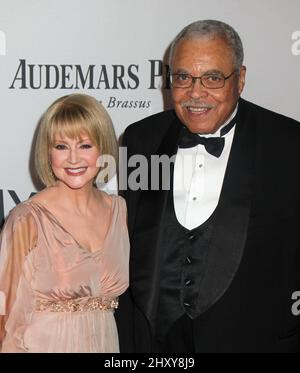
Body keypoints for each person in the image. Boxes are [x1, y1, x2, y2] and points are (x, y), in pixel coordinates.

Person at [117, 20, 300, 352]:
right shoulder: (141, 140)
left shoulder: (289, 143)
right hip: (158, 344)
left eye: (213, 78)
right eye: (183, 77)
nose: (195, 93)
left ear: (240, 79)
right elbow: (132, 242)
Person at [0, 93, 129, 352]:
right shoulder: (27, 219)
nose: (73, 159)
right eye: (61, 146)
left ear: (103, 149)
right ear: (47, 153)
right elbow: (3, 312)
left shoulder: (119, 210)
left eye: (85, 145)